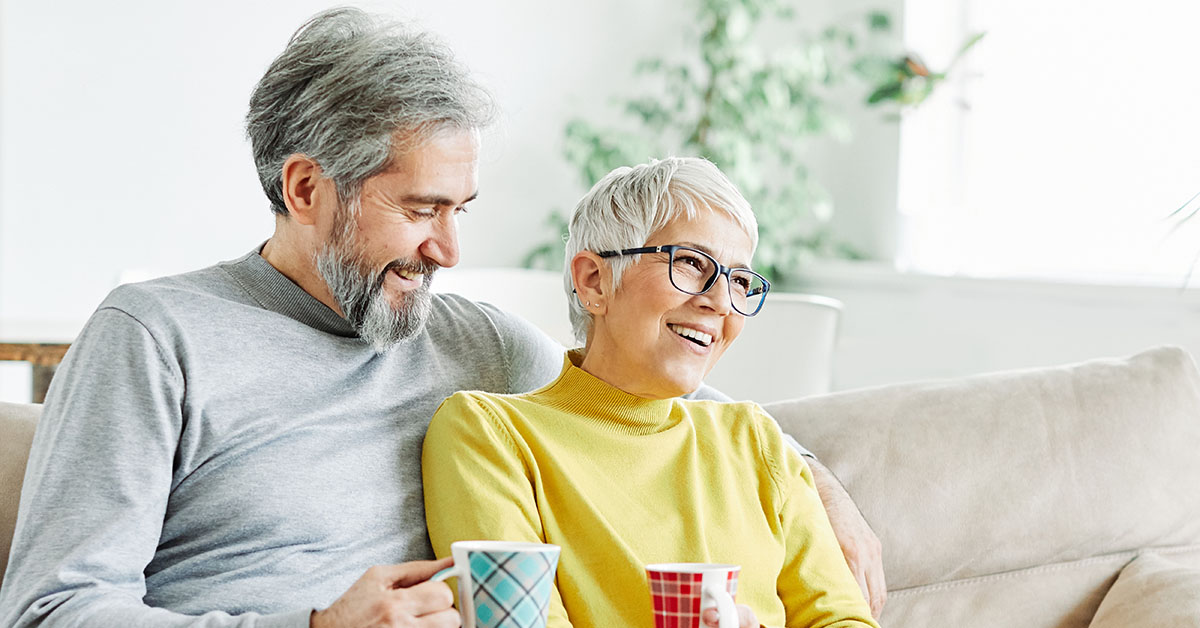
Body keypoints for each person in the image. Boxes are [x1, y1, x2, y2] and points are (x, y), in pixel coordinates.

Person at [0, 9, 882, 628]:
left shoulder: (476, 344)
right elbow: (51, 609)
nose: (448, 250)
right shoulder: (155, 339)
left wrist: (812, 479)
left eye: (461, 208)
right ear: (307, 189)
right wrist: (309, 624)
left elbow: (639, 398)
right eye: (422, 210)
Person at [422, 157, 878, 628]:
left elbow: (843, 620)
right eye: (691, 264)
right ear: (594, 282)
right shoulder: (488, 434)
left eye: (739, 280)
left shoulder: (755, 440)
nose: (720, 302)